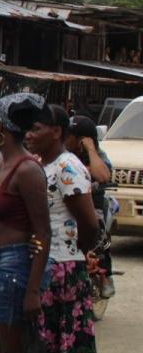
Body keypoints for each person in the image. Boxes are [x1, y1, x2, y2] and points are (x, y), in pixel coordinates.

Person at [25, 105, 101, 353]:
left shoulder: (67, 167)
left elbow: (89, 223)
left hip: (61, 269)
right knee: (43, 351)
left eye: (35, 128)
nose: (28, 135)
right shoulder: (40, 163)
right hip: (42, 265)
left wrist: (78, 253)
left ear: (56, 132)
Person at [0, 93, 52, 353]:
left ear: (1, 126)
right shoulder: (8, 165)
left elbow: (43, 232)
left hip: (16, 268)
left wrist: (33, 290)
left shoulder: (26, 170)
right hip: (3, 267)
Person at [67, 115, 115, 298]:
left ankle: (105, 276)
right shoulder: (63, 153)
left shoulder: (98, 155)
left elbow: (103, 176)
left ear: (82, 139)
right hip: (67, 204)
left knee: (98, 233)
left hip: (92, 205)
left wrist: (91, 149)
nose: (65, 138)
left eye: (70, 135)